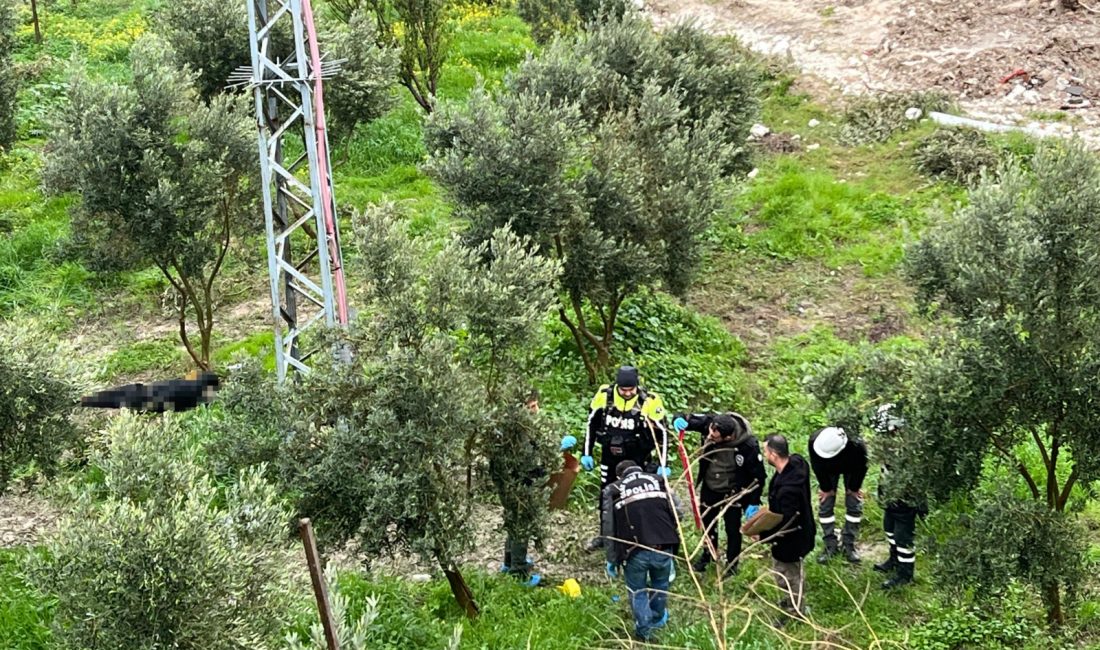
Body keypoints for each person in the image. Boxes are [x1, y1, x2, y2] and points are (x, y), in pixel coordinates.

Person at [582, 365, 669, 550]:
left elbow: (663, 433)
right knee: (607, 496)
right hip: (610, 458)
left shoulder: (649, 401)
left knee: (639, 497)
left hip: (637, 458)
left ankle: (639, 538)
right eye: (624, 390)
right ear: (617, 386)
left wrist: (663, 463)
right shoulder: (604, 396)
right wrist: (586, 453)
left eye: (631, 390)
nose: (628, 393)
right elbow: (591, 424)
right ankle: (606, 536)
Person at [676, 412, 765, 577]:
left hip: (733, 491)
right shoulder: (711, 423)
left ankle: (732, 564)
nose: (709, 437)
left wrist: (753, 502)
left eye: (714, 437)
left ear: (729, 437)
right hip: (710, 487)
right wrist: (678, 420)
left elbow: (759, 476)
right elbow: (687, 418)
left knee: (733, 529)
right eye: (709, 432)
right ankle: (708, 554)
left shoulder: (748, 446)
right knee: (708, 523)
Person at [602, 460, 680, 642]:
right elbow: (677, 511)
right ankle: (657, 618)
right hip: (664, 544)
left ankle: (644, 630)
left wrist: (611, 557)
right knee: (661, 584)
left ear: (620, 476)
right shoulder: (659, 480)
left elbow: (608, 527)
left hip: (634, 550)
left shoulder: (613, 490)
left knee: (637, 590)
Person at [489, 391, 548, 586]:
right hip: (517, 485)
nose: (536, 410)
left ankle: (509, 561)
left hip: (507, 483)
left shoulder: (508, 427)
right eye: (531, 407)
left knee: (513, 520)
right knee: (521, 524)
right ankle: (519, 571)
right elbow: (528, 464)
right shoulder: (517, 434)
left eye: (536, 405)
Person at [756, 435, 815, 621]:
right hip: (801, 530)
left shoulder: (788, 491)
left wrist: (763, 535)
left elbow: (786, 522)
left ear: (773, 454)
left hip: (791, 538)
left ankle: (795, 611)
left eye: (766, 451)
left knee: (790, 575)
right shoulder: (798, 463)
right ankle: (790, 600)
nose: (764, 455)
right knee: (784, 571)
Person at [870, 404, 926, 590]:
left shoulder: (909, 447)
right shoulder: (890, 442)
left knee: (903, 537)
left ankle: (905, 574)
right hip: (890, 495)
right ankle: (894, 560)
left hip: (905, 499)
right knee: (889, 529)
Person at [808, 426, 869, 564]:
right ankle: (830, 544)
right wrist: (826, 488)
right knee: (826, 503)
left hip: (852, 467)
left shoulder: (857, 446)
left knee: (854, 503)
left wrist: (854, 487)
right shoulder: (815, 441)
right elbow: (816, 465)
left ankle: (849, 543)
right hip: (827, 470)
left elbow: (862, 466)